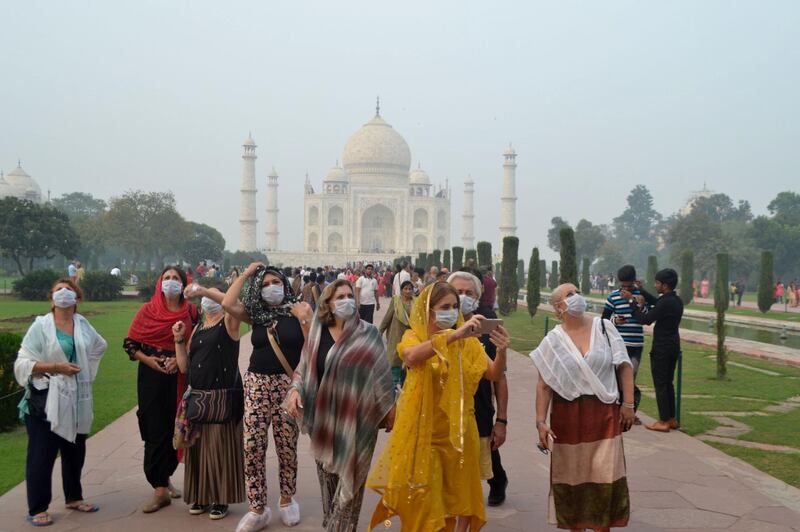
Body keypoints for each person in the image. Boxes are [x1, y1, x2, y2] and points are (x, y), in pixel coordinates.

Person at [367, 281, 509, 531]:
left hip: (461, 437)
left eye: (455, 306)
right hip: (425, 439)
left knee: (460, 502)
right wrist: (453, 335)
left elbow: (494, 374)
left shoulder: (470, 342)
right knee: (426, 508)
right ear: (429, 310)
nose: (453, 311)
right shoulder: (415, 336)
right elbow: (410, 357)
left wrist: (502, 351)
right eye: (445, 306)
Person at [285, 279, 395, 532]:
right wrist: (294, 392)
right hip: (323, 424)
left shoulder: (368, 333)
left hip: (356, 423)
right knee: (329, 492)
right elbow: (303, 371)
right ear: (328, 304)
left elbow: (382, 376)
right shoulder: (317, 332)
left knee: (350, 494)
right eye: (340, 297)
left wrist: (389, 408)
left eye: (349, 295)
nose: (346, 300)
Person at [529, 283, 634, 531]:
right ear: (558, 307)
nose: (577, 297)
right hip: (568, 420)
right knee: (572, 480)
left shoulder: (604, 327)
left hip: (604, 416)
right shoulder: (553, 340)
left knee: (605, 479)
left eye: (577, 291)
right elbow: (544, 386)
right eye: (569, 295)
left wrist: (628, 404)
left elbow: (624, 366)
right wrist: (540, 422)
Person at [223, 263, 312, 530]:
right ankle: (257, 507)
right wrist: (247, 275)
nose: (269, 287)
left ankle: (286, 499)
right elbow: (228, 303)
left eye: (274, 282)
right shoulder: (257, 314)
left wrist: (305, 318)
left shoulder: (298, 312)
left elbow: (312, 348)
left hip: (288, 387)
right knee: (252, 447)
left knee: (286, 447)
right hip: (257, 385)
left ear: (285, 284)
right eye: (263, 284)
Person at [14, 278, 107, 527]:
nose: (64, 293)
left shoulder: (82, 324)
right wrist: (56, 367)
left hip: (77, 399)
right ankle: (38, 507)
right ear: (51, 298)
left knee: (75, 451)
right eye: (58, 290)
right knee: (41, 455)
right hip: (45, 400)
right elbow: (22, 362)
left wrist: (85, 369)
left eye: (69, 290)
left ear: (77, 298)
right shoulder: (41, 327)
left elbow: (100, 345)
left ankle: (74, 497)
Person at [124, 266, 197, 513]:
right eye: (166, 278)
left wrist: (180, 358)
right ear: (159, 283)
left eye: (176, 278)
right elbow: (131, 344)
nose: (171, 282)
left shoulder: (192, 312)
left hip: (179, 377)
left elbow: (197, 343)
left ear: (184, 283)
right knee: (155, 428)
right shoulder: (149, 311)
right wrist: (149, 360)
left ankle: (165, 478)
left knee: (174, 428)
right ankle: (159, 488)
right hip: (152, 378)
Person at [173, 285, 244, 520]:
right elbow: (184, 366)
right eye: (204, 296)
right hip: (198, 397)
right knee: (199, 451)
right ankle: (201, 495)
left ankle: (221, 499)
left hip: (221, 398)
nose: (206, 299)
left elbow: (231, 304)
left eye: (210, 295)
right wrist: (178, 339)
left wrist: (204, 290)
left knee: (219, 449)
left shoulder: (230, 324)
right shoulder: (199, 328)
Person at [449, 270, 511, 507]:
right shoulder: (435, 327)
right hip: (446, 407)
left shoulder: (487, 328)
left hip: (479, 404)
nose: (463, 297)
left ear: (478, 296)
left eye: (469, 293)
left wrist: (502, 420)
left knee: (486, 446)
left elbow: (499, 378)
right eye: (458, 292)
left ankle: (497, 481)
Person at [630, 268, 684, 432]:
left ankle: (663, 421)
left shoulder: (665, 302)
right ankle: (671, 418)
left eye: (657, 283)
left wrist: (633, 304)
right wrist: (641, 291)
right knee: (668, 383)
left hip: (662, 347)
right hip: (673, 345)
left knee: (660, 384)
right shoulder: (675, 300)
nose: (655, 285)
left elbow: (645, 319)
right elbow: (657, 302)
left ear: (665, 285)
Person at [601, 265, 647, 419]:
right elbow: (604, 319)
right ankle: (618, 410)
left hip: (636, 345)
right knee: (616, 378)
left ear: (634, 282)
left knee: (630, 378)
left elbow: (646, 317)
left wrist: (635, 301)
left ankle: (629, 413)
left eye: (629, 286)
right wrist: (615, 320)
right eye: (623, 285)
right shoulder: (613, 297)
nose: (625, 289)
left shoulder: (640, 296)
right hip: (619, 345)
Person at [379, 280, 414, 388]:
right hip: (396, 333)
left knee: (408, 359)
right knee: (394, 359)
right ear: (402, 290)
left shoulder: (416, 302)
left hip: (410, 336)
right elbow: (388, 316)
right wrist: (380, 330)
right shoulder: (395, 301)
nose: (408, 291)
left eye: (410, 289)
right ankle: (393, 385)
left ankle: (404, 384)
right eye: (405, 289)